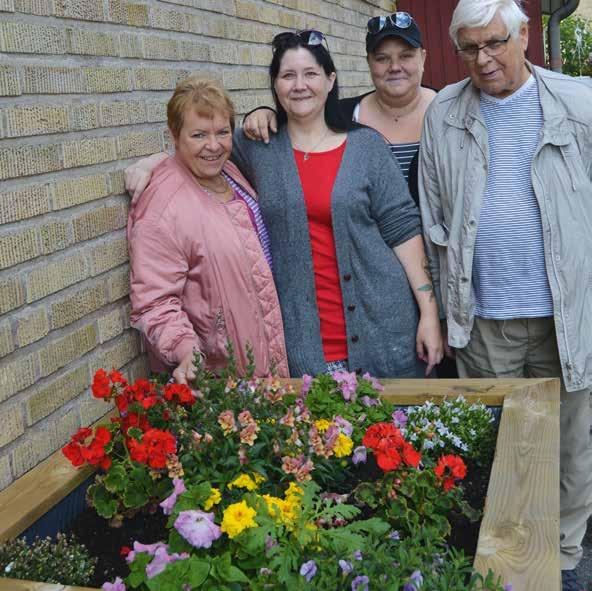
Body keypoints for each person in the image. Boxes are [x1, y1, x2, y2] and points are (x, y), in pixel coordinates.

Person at [126, 30, 444, 379]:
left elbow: (402, 229)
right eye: (288, 75)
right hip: (304, 346)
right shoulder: (256, 147)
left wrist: (428, 314)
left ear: (330, 79)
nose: (300, 85)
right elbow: (201, 145)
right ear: (275, 85)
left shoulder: (367, 146)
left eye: (310, 74)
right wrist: (154, 163)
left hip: (385, 332)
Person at [418, 1, 592, 589]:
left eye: (494, 43)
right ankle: (510, 559)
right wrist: (443, 309)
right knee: (499, 446)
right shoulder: (444, 111)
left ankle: (565, 557)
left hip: (564, 314)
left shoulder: (579, 103)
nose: (483, 59)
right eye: (469, 48)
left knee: (569, 442)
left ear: (523, 36)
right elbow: (434, 210)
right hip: (485, 314)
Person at [127, 76, 289, 384]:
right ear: (174, 135)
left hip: (267, 365)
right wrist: (186, 351)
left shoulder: (228, 170)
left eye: (222, 132)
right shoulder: (162, 207)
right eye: (199, 135)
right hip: (222, 380)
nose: (213, 146)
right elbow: (155, 303)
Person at [243, 12, 436, 206]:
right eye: (382, 58)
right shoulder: (341, 116)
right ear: (368, 62)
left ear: (423, 57)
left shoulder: (450, 112)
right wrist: (266, 113)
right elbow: (300, 114)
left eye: (406, 56)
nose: (394, 66)